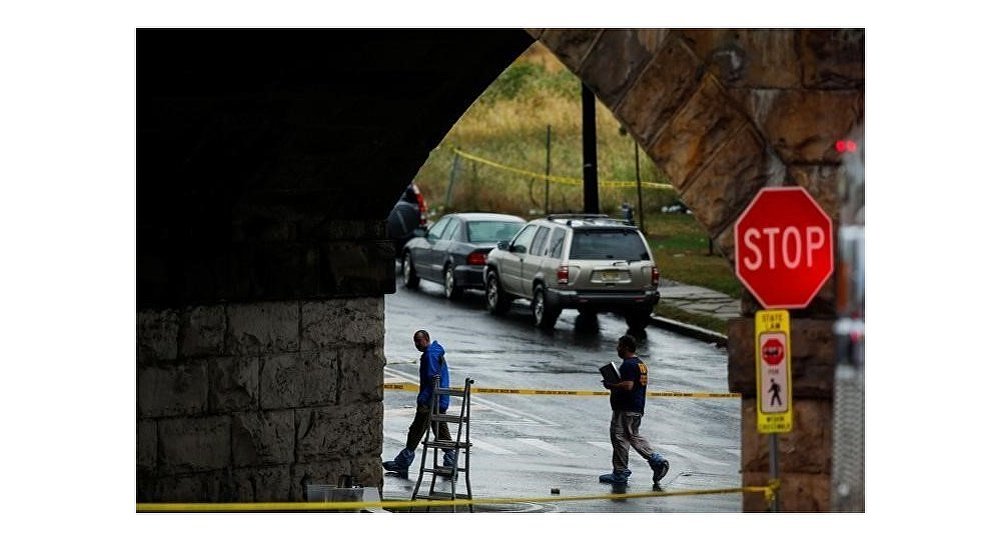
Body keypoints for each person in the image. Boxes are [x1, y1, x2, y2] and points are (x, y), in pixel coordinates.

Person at [382, 330, 456, 474]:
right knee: (440, 431)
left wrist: (423, 399)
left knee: (416, 430)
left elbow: (433, 380)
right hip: (439, 399)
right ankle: (450, 461)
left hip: (431, 401)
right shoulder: (434, 352)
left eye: (419, 341)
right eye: (415, 341)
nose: (417, 344)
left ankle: (403, 462)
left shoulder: (430, 355)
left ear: (426, 339)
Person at [599, 334, 670, 485]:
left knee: (619, 438)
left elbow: (628, 385)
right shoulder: (640, 364)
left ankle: (622, 472)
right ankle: (653, 461)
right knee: (631, 436)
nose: (617, 349)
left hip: (625, 408)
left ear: (625, 347)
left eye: (619, 346)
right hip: (636, 407)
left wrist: (611, 385)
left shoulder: (628, 365)